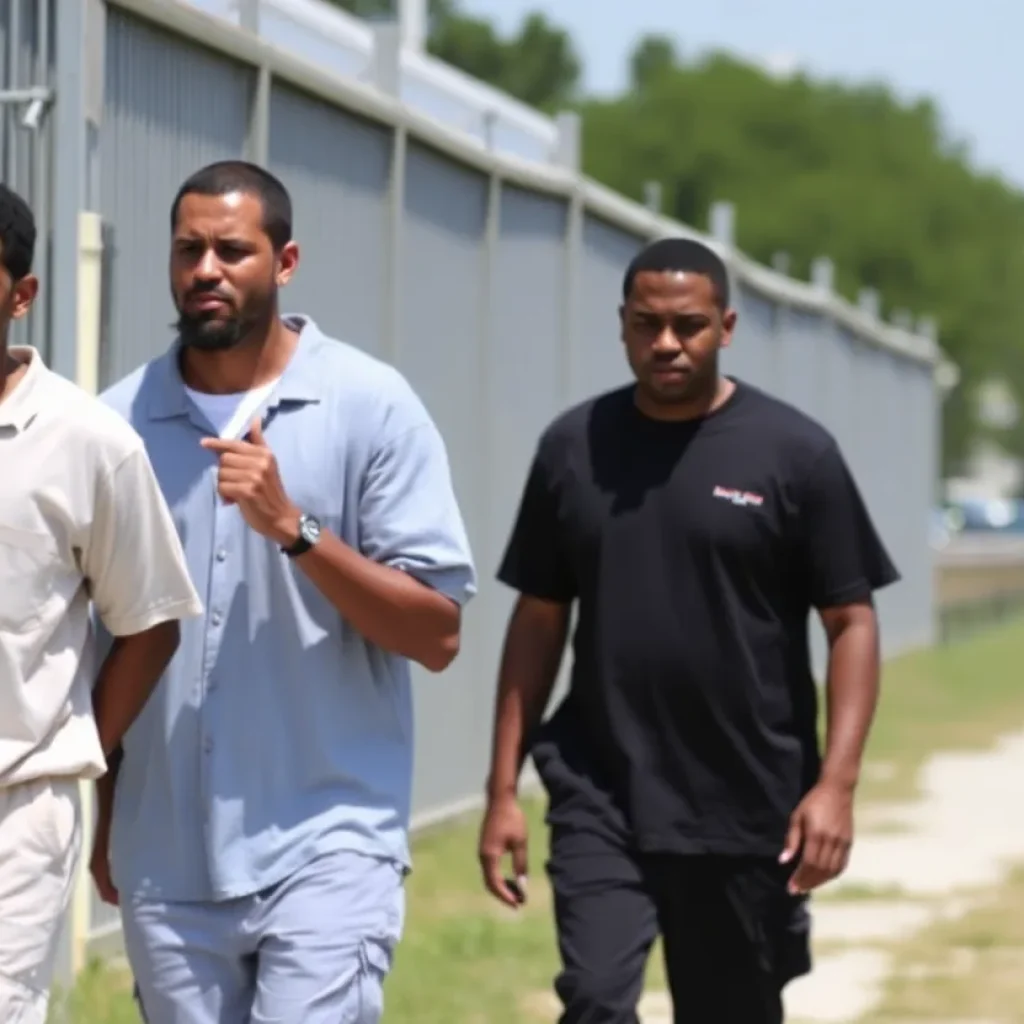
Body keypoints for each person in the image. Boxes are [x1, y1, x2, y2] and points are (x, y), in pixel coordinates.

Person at [478, 236, 900, 1023]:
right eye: (647, 324)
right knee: (597, 1000)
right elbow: (537, 618)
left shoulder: (795, 454)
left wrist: (835, 786)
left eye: (689, 325)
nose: (666, 343)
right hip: (600, 786)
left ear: (726, 326)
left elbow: (852, 621)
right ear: (623, 325)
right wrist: (502, 788)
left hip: (745, 800)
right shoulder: (573, 448)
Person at [92, 160, 476, 1023]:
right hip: (166, 857)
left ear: (286, 261)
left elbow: (437, 634)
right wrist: (112, 815)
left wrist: (295, 529)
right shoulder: (114, 427)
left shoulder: (371, 406)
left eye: (233, 250)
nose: (207, 270)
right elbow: (105, 645)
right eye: (189, 249)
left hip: (329, 844)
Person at [0, 184, 202, 1021]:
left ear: (22, 294)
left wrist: (74, 744)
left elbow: (149, 623)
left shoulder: (88, 441)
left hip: (15, 809)